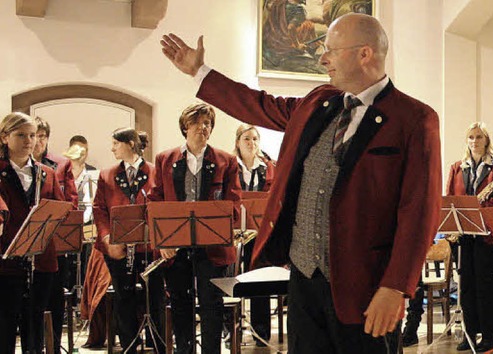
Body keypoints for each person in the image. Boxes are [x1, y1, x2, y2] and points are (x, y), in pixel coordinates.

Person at [160, 12, 442, 354]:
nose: (323, 59)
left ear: (365, 54)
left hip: (365, 287)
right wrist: (199, 72)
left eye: (332, 51)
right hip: (305, 281)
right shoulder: (319, 102)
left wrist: (396, 287)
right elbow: (260, 105)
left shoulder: (413, 118)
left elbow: (420, 211)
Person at [149, 103, 242, 354]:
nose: (203, 128)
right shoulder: (165, 159)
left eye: (207, 124)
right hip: (175, 247)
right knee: (181, 303)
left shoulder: (226, 160)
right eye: (197, 123)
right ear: (185, 127)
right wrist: (162, 241)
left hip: (213, 247)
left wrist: (223, 217)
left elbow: (234, 201)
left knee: (212, 306)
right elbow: (155, 201)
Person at [93, 127, 165, 353]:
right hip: (117, 246)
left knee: (155, 295)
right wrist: (107, 239)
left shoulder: (155, 172)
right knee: (123, 296)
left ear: (131, 144)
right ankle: (128, 344)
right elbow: (99, 209)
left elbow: (162, 206)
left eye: (116, 143)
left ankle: (158, 341)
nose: (112, 148)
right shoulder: (107, 174)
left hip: (149, 247)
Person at [0, 112, 65, 353]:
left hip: (41, 260)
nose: (30, 141)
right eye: (21, 135)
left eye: (33, 135)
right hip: (7, 259)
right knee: (6, 324)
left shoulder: (46, 173)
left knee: (35, 322)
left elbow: (60, 207)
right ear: (5, 137)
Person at [444, 122, 493, 352]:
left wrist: (476, 209)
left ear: (486, 139)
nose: (474, 141)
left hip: (487, 235)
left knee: (486, 284)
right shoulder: (457, 167)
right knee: (466, 284)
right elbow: (450, 197)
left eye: (479, 136)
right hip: (463, 234)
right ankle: (469, 333)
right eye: (471, 137)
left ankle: (490, 335)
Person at [32, 116, 78, 354]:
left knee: (55, 297)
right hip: (26, 241)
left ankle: (53, 345)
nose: (37, 141)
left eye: (41, 136)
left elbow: (71, 201)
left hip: (55, 241)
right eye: (33, 135)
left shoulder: (60, 164)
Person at [234, 124, 276, 346]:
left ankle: (261, 332)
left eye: (255, 139)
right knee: (231, 279)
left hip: (258, 233)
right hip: (234, 233)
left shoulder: (268, 168)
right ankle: (231, 328)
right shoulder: (231, 167)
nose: (251, 143)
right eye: (246, 139)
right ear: (238, 142)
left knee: (260, 279)